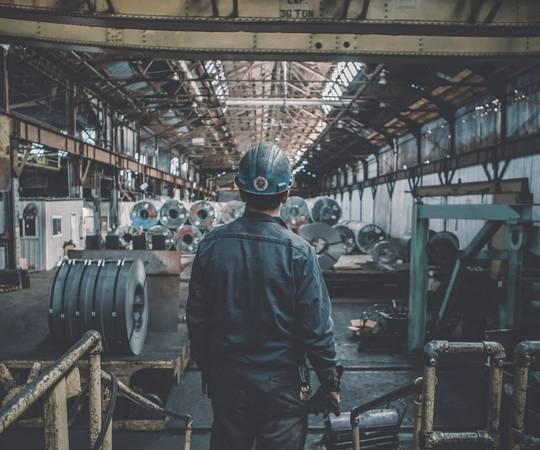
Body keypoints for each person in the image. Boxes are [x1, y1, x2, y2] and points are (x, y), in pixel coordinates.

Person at [187, 142, 339, 450]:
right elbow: (316, 327)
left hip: (227, 380)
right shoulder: (299, 251)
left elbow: (197, 320)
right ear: (286, 194)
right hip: (281, 387)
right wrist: (329, 380)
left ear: (240, 193)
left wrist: (208, 369)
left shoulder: (211, 245)